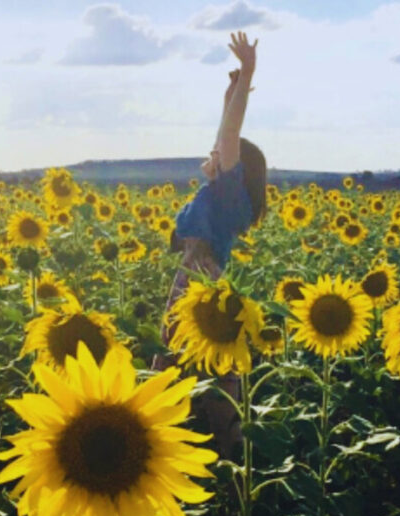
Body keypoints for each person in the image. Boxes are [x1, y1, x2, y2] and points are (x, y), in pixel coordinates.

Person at [154, 31, 266, 458]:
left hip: (200, 286)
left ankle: (234, 468)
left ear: (235, 167)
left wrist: (247, 78)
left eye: (220, 152)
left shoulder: (228, 197)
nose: (213, 152)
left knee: (213, 383)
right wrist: (230, 96)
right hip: (190, 282)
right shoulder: (224, 194)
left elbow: (229, 137)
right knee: (179, 376)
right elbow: (225, 136)